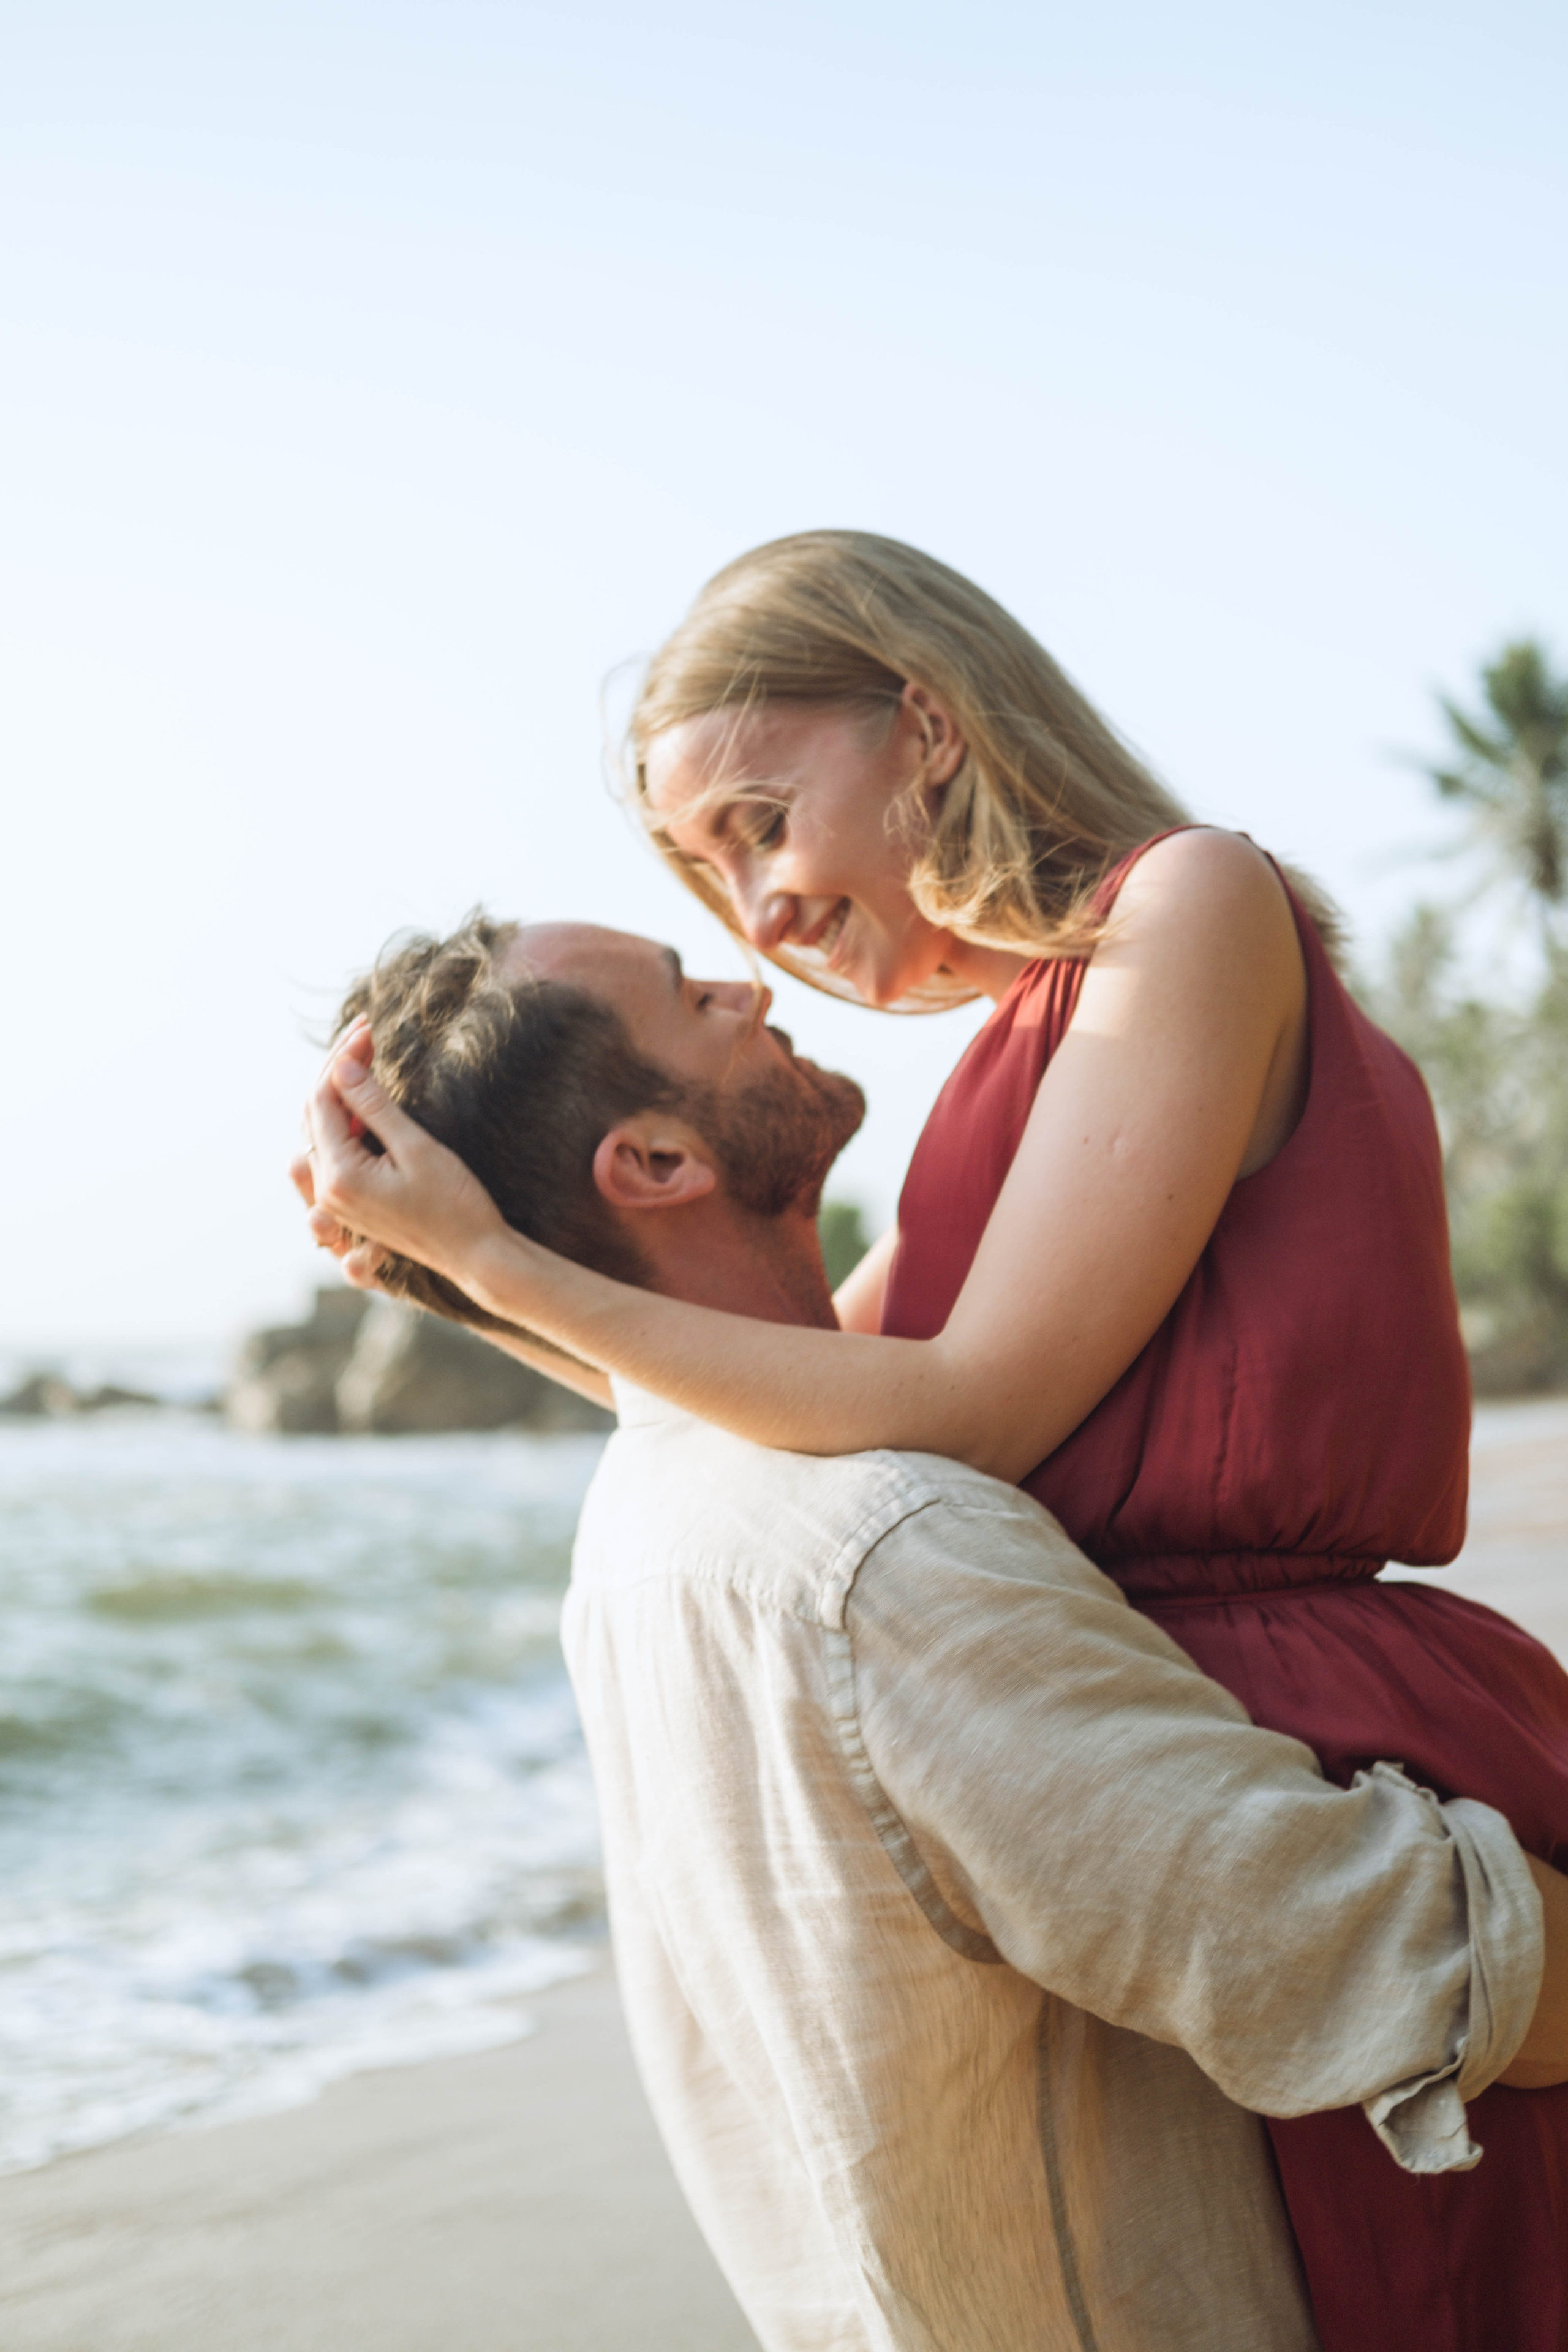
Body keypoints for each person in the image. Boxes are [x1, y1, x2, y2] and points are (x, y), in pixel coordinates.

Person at [301, 533, 1568, 2351]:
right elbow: (776, 1398)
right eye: (705, 876)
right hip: (1148, 1754)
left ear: (923, 718)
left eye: (758, 821)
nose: (758, 913)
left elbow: (963, 1409)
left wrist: (504, 1258)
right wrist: (454, 1282)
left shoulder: (1185, 911)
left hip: (1318, 1750)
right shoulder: (1005, 1064)